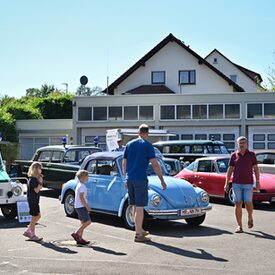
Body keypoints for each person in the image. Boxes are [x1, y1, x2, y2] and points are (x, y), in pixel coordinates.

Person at [122, 124, 167, 242]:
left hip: (130, 179)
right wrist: (162, 180)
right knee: (140, 208)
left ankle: (140, 229)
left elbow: (124, 162)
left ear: (138, 132)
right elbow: (155, 164)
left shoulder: (129, 145)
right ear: (147, 133)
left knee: (135, 206)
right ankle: (138, 234)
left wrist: (125, 178)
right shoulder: (148, 146)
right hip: (140, 179)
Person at [224, 136, 260, 233]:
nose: (242, 144)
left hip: (248, 183)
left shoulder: (251, 154)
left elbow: (256, 168)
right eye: (240, 142)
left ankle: (250, 216)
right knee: (238, 203)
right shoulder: (234, 155)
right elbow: (230, 170)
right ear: (238, 144)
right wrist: (226, 183)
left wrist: (257, 182)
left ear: (246, 144)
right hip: (236, 183)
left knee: (248, 202)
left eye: (243, 142)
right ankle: (239, 226)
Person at [23, 162, 43, 241]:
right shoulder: (33, 179)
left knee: (38, 216)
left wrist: (40, 181)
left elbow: (39, 189)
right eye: (40, 168)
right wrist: (40, 181)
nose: (41, 170)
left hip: (34, 200)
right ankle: (32, 235)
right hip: (33, 201)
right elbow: (37, 190)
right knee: (35, 216)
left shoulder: (35, 179)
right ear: (36, 169)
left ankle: (28, 231)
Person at [71, 170, 92, 245]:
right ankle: (77, 233)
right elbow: (81, 198)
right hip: (81, 206)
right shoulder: (82, 186)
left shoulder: (79, 185)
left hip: (78, 206)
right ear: (83, 177)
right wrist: (87, 207)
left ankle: (80, 238)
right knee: (88, 221)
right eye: (87, 176)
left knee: (83, 222)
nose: (88, 178)